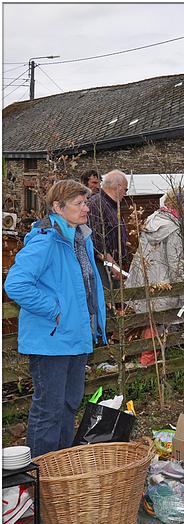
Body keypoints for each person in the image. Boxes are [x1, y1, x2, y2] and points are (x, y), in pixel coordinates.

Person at [4, 180, 107, 457]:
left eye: (86, 202)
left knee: (69, 405)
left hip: (76, 337)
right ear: (58, 208)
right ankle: (38, 473)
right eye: (79, 203)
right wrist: (55, 310)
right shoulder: (46, 241)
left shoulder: (80, 238)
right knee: (48, 409)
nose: (86, 207)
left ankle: (59, 469)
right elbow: (16, 284)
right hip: (51, 340)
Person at [125, 188, 184, 314]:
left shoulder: (152, 220)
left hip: (143, 285)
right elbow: (175, 264)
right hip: (163, 289)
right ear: (183, 206)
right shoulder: (174, 229)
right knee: (165, 327)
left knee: (148, 325)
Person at [87, 170, 129, 290]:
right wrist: (112, 265)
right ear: (118, 187)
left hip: (113, 266)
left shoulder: (113, 206)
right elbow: (97, 244)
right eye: (125, 190)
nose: (125, 194)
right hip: (103, 266)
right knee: (108, 303)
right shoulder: (96, 205)